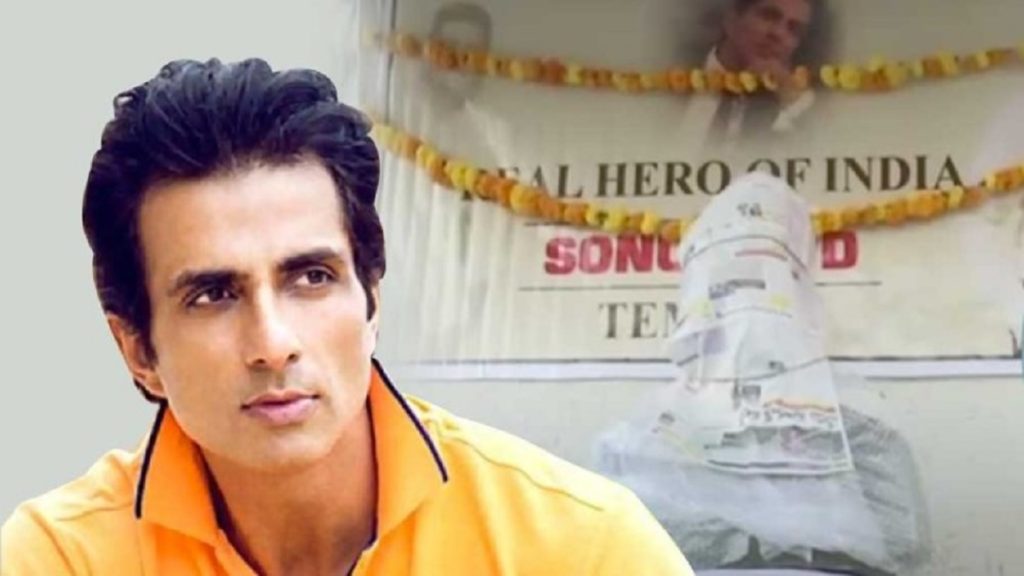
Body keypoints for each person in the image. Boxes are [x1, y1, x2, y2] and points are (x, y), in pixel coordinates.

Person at [0, 59, 692, 575]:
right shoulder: (60, 559)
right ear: (137, 351)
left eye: (311, 277)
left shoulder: (579, 549)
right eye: (213, 295)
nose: (273, 344)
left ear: (372, 301)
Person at [682, 0, 821, 148]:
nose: (778, 33)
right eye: (768, 16)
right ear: (731, 20)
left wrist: (792, 97)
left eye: (793, 29)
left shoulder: (787, 103)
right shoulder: (675, 65)